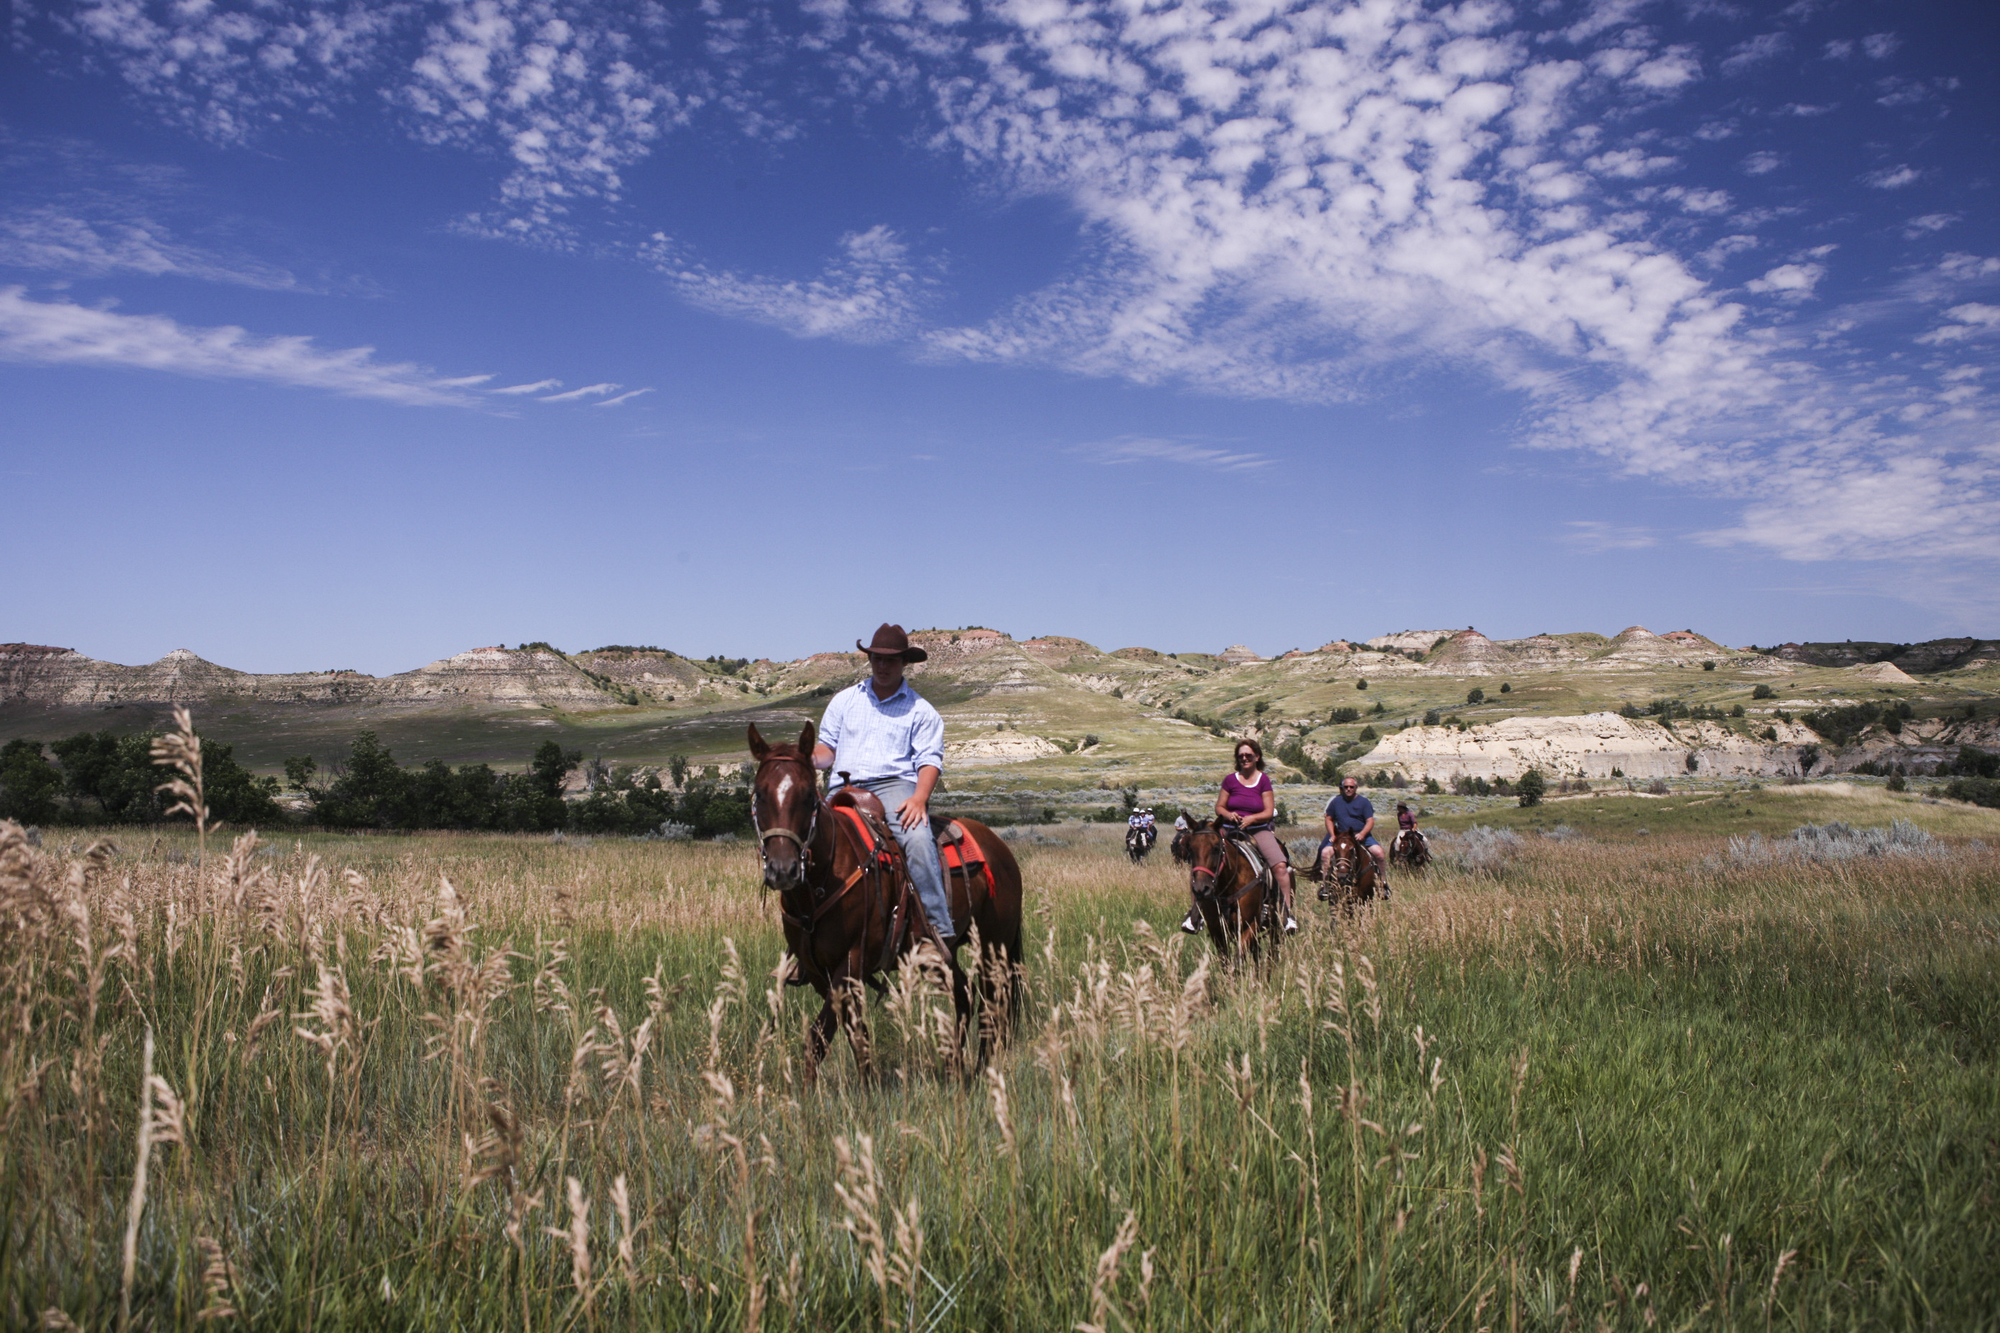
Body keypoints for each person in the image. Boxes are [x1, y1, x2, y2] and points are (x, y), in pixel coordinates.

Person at [812, 624, 953, 944]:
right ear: (870, 659)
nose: (883, 666)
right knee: (801, 838)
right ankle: (804, 937)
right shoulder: (844, 701)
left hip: (894, 786)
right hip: (843, 789)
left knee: (916, 839)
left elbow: (930, 761)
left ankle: (937, 929)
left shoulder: (921, 710)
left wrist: (919, 798)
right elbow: (827, 750)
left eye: (891, 660)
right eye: (877, 659)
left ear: (904, 662)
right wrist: (806, 758)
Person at [1185, 738, 1297, 934]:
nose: (1244, 758)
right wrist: (1229, 814)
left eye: (1248, 755)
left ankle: (1286, 914)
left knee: (1280, 866)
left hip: (1257, 829)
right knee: (1202, 863)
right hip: (1229, 828)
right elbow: (1219, 806)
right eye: (1241, 756)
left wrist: (1252, 819)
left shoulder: (1263, 780)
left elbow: (1269, 811)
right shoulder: (1230, 780)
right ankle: (1195, 915)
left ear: (1257, 757)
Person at [1323, 776, 1389, 898]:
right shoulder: (1336, 802)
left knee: (1379, 853)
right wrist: (1333, 835)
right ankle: (1325, 886)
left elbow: (1370, 820)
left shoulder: (1364, 802)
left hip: (1361, 836)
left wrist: (1362, 833)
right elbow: (1328, 818)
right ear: (1342, 788)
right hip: (1342, 837)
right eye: (1346, 787)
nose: (1348, 789)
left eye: (1351, 787)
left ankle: (1383, 883)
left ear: (1356, 788)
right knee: (1325, 853)